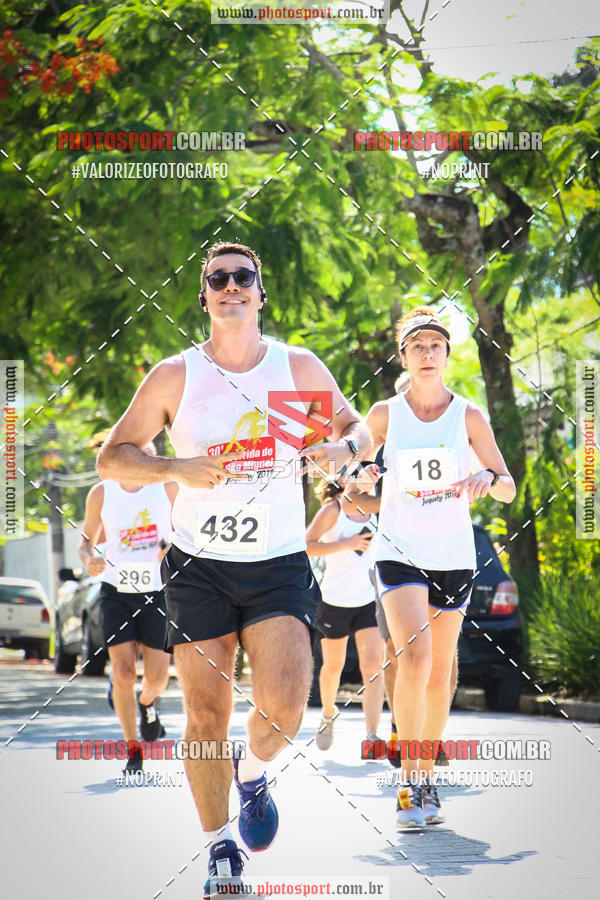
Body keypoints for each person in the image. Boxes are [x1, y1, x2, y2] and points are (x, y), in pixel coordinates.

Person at [96, 241, 371, 898]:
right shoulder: (175, 376)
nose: (230, 286)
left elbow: (361, 428)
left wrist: (343, 446)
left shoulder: (296, 367)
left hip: (276, 565)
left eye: (242, 276)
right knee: (205, 712)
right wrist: (172, 468)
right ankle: (221, 851)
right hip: (199, 568)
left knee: (283, 708)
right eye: (216, 278)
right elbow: (113, 458)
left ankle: (251, 771)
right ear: (204, 296)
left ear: (259, 290)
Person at [346, 306, 515, 828]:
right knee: (414, 660)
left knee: (441, 674)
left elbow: (508, 487)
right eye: (416, 346)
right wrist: (364, 470)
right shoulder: (382, 415)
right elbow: (351, 486)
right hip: (399, 552)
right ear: (403, 356)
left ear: (446, 355)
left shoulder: (467, 416)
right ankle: (404, 786)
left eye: (434, 346)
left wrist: (486, 478)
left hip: (453, 556)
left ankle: (425, 778)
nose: (426, 354)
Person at [79, 443, 177, 772]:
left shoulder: (168, 487)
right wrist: (89, 560)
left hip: (157, 593)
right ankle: (133, 750)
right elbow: (86, 541)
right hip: (115, 590)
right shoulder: (101, 493)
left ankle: (147, 703)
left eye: (147, 452)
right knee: (123, 673)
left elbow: (186, 532)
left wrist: (171, 551)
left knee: (157, 679)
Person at [305, 475, 384, 756]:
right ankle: (328, 715)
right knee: (333, 667)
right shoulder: (333, 510)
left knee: (374, 667)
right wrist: (347, 543)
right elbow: (308, 545)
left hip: (369, 601)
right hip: (334, 601)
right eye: (364, 471)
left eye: (376, 472)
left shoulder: (379, 509)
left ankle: (372, 736)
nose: (372, 477)